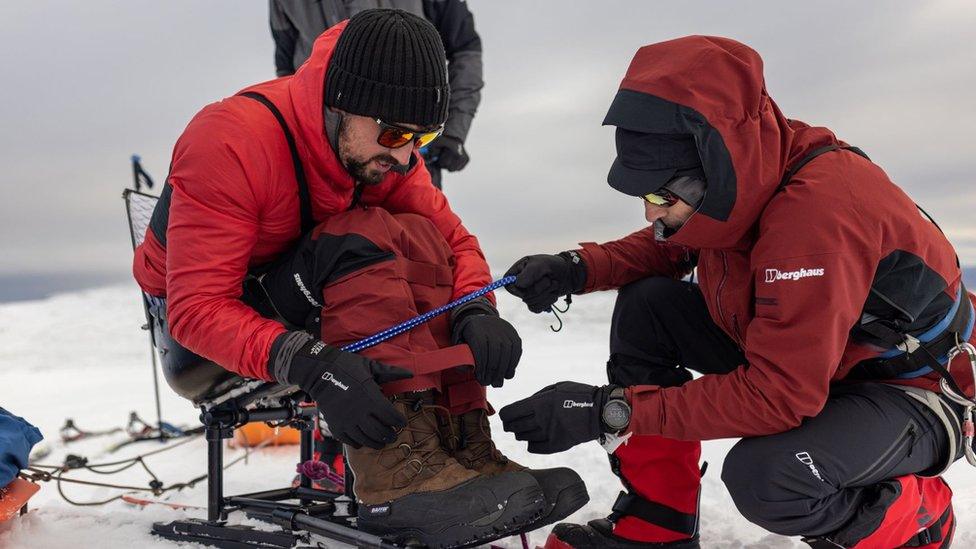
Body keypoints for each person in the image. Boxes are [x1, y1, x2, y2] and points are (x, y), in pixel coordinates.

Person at [499, 36, 973, 549]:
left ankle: (920, 524)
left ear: (717, 169)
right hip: (818, 361)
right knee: (649, 307)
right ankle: (658, 525)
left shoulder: (817, 220)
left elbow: (779, 395)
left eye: (662, 195)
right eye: (644, 194)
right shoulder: (748, 174)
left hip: (910, 390)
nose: (650, 212)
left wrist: (609, 409)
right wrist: (575, 268)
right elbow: (677, 241)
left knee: (770, 477)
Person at [132, 9, 584, 547]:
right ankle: (393, 477)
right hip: (195, 343)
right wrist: (312, 365)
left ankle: (460, 448)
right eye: (394, 133)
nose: (404, 155)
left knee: (419, 232)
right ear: (340, 103)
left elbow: (453, 240)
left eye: (421, 136)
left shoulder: (380, 150)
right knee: (358, 236)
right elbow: (196, 310)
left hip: (290, 300)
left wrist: (474, 311)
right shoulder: (230, 141)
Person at [269, 0, 482, 190]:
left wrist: (452, 130)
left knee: (416, 230)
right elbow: (287, 70)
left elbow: (465, 50)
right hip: (324, 162)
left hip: (409, 151)